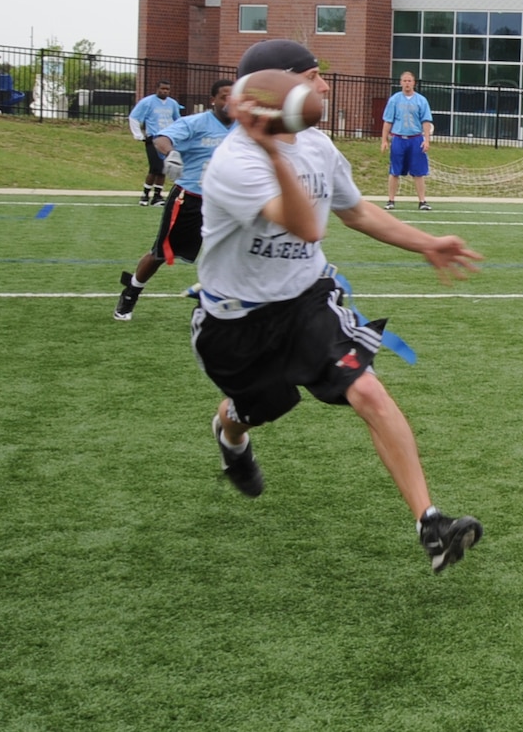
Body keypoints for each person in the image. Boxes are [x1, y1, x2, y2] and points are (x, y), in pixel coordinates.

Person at [193, 39, 484, 572]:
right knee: (260, 407)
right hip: (237, 321)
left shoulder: (320, 147)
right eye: (311, 76)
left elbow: (356, 213)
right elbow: (307, 225)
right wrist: (273, 152)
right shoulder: (232, 163)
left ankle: (432, 524)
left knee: (367, 388)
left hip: (307, 300)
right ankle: (230, 433)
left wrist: (426, 243)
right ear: (273, 91)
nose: (324, 86)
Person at [114, 80, 235, 320]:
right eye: (225, 96)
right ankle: (131, 292)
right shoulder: (196, 122)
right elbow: (161, 139)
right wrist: (172, 154)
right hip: (190, 198)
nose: (231, 101)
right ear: (213, 100)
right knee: (161, 253)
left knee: (232, 253)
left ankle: (215, 303)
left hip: (226, 202)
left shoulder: (246, 126)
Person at [380, 71, 434, 211]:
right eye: (404, 81)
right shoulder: (395, 100)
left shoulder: (421, 100)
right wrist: (384, 140)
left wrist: (426, 140)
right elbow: (388, 121)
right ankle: (391, 200)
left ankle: (422, 201)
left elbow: (426, 121)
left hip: (415, 139)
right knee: (395, 171)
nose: (407, 83)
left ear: (414, 82)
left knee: (419, 172)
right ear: (400, 82)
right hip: (399, 138)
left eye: (409, 81)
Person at [129, 80, 184, 205]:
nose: (165, 91)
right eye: (162, 89)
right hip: (153, 139)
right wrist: (138, 135)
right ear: (156, 89)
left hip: (168, 139)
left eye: (167, 89)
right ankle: (145, 195)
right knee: (155, 168)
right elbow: (134, 117)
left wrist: (178, 134)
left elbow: (177, 120)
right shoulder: (147, 102)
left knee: (163, 169)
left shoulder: (173, 103)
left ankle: (157, 197)